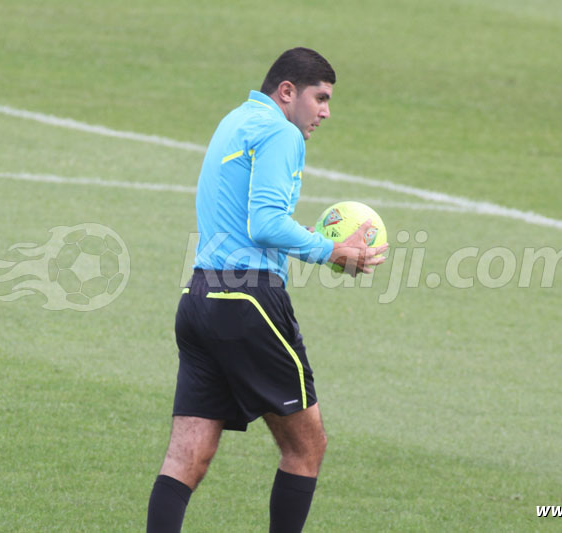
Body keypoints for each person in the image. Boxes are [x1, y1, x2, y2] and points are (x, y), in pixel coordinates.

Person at [146, 47, 388, 533]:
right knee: (306, 447)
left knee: (186, 457)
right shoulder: (281, 131)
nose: (325, 112)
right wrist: (333, 251)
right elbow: (267, 223)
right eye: (319, 98)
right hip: (249, 302)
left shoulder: (234, 121)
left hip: (200, 298)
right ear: (287, 92)